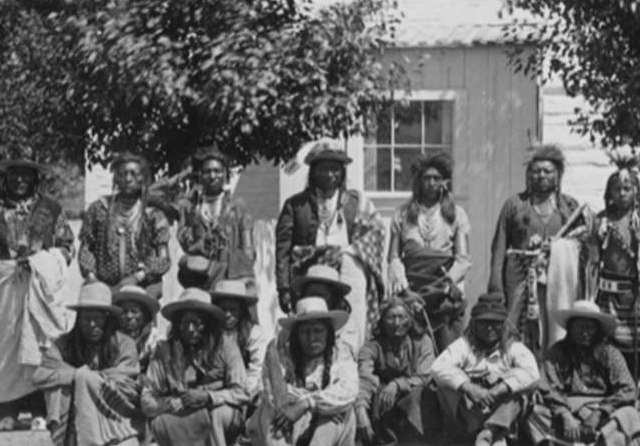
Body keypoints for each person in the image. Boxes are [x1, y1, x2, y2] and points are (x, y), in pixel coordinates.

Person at [0, 157, 74, 431]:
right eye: (14, 175)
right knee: (3, 347)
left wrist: (42, 262)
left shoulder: (51, 210)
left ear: (35, 179)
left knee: (38, 345)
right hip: (3, 286)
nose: (19, 181)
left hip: (39, 287)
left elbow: (67, 247)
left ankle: (39, 409)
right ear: (6, 179)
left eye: (26, 175)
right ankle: (4, 409)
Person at [275, 141, 384, 351]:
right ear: (313, 172)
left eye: (335, 169)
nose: (329, 174)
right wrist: (284, 289)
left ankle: (351, 361)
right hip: (310, 274)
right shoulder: (295, 205)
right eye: (323, 168)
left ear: (342, 173)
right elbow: (283, 251)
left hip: (347, 271)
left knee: (351, 321)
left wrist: (346, 253)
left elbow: (376, 232)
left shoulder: (355, 201)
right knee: (314, 324)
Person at [489, 145, 591, 355]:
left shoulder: (569, 208)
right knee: (515, 326)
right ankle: (519, 374)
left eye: (547, 171)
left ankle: (552, 374)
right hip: (519, 278)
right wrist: (496, 288)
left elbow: (583, 246)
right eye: (536, 171)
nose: (541, 175)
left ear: (558, 175)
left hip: (557, 280)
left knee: (555, 326)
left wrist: (560, 248)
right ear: (528, 174)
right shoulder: (515, 205)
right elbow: (499, 248)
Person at [249, 295, 359, 446]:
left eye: (318, 331)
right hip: (288, 438)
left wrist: (306, 403)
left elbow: (348, 391)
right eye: (305, 332)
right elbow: (273, 392)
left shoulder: (341, 353)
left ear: (329, 333)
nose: (312, 338)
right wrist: (295, 404)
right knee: (270, 405)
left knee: (338, 408)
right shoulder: (282, 355)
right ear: (296, 336)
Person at [32, 283, 142, 446]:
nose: (92, 325)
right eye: (86, 319)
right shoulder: (63, 344)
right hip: (74, 429)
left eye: (98, 319)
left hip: (113, 422)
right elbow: (40, 375)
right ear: (78, 319)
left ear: (108, 320)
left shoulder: (125, 344)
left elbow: (126, 384)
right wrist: (78, 376)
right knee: (59, 386)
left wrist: (85, 378)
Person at [141, 287, 249, 446]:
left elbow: (243, 393)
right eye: (185, 323)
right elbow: (147, 399)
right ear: (177, 325)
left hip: (218, 414)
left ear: (209, 324)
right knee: (159, 423)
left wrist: (208, 397)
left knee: (218, 413)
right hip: (182, 413)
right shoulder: (163, 351)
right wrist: (172, 402)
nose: (190, 330)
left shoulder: (227, 346)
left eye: (197, 323)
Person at [587, 154, 640, 410]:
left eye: (627, 188)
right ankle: (613, 394)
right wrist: (590, 297)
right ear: (609, 192)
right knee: (608, 344)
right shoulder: (600, 222)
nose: (622, 193)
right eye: (617, 188)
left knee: (638, 346)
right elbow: (594, 263)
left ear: (637, 192)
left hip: (637, 293)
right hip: (608, 293)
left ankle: (636, 396)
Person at [524, 300, 640, 446]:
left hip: (601, 411)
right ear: (570, 328)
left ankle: (570, 443)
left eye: (590, 328)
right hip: (567, 410)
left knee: (630, 414)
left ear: (597, 330)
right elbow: (546, 386)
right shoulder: (557, 352)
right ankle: (602, 443)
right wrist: (565, 414)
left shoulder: (610, 353)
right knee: (533, 412)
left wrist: (600, 412)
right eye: (579, 327)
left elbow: (628, 389)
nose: (584, 332)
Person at [430, 292, 540, 446]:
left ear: (504, 325)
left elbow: (532, 373)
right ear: (474, 324)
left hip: (500, 407)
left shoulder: (513, 347)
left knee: (520, 392)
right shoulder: (464, 345)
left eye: (495, 323)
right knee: (445, 386)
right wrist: (470, 388)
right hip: (472, 411)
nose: (489, 328)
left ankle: (487, 435)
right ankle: (497, 436)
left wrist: (499, 389)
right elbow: (438, 367)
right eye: (484, 323)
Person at [387, 153, 471, 352]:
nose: (431, 183)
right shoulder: (403, 213)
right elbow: (394, 256)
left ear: (444, 183)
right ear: (418, 181)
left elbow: (463, 259)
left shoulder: (456, 214)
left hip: (443, 286)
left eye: (436, 178)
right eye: (427, 178)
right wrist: (405, 289)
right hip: (412, 286)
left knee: (446, 343)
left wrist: (446, 284)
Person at [77, 152, 171, 299]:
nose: (128, 179)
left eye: (134, 174)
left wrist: (137, 277)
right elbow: (86, 248)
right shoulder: (99, 209)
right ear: (115, 179)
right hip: (103, 284)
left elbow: (163, 259)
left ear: (143, 178)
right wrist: (92, 278)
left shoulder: (153, 215)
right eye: (122, 174)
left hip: (142, 285)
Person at [159, 147, 255, 287]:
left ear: (225, 175)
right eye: (207, 171)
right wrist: (184, 174)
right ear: (199, 175)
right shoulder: (189, 208)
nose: (212, 176)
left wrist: (216, 268)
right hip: (198, 281)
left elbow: (248, 255)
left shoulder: (238, 208)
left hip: (230, 282)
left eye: (217, 171)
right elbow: (150, 195)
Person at [356, 295, 437, 446]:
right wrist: (360, 408)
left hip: (414, 400)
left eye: (402, 317)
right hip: (386, 403)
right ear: (382, 321)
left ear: (410, 319)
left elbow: (425, 376)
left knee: (420, 394)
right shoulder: (372, 346)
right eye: (391, 318)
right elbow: (365, 377)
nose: (397, 323)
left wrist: (398, 384)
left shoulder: (423, 342)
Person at [210, 275, 269, 402]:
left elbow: (256, 371)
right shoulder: (209, 333)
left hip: (246, 393)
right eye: (223, 309)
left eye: (233, 310)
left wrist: (238, 393)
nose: (227, 314)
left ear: (242, 311)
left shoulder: (254, 333)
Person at [112, 285, 160, 375]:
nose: (129, 316)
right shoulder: (111, 337)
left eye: (134, 311)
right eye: (124, 311)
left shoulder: (154, 339)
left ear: (145, 315)